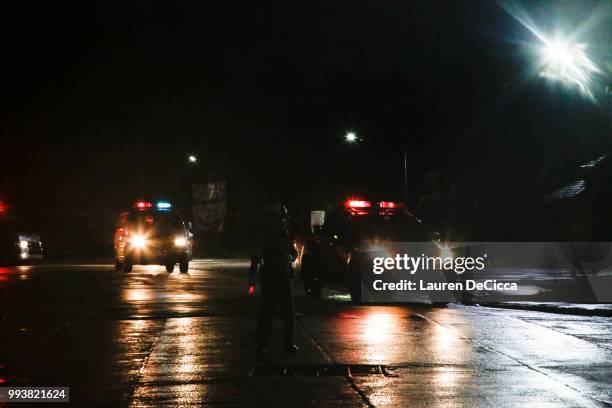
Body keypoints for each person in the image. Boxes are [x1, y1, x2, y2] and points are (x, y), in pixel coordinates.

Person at [249, 203, 299, 354]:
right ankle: (262, 344)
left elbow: (293, 253)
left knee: (283, 313)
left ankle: (283, 344)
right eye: (280, 218)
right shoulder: (266, 235)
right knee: (269, 313)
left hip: (282, 277)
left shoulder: (283, 234)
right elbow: (256, 258)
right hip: (273, 277)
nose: (282, 220)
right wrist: (252, 281)